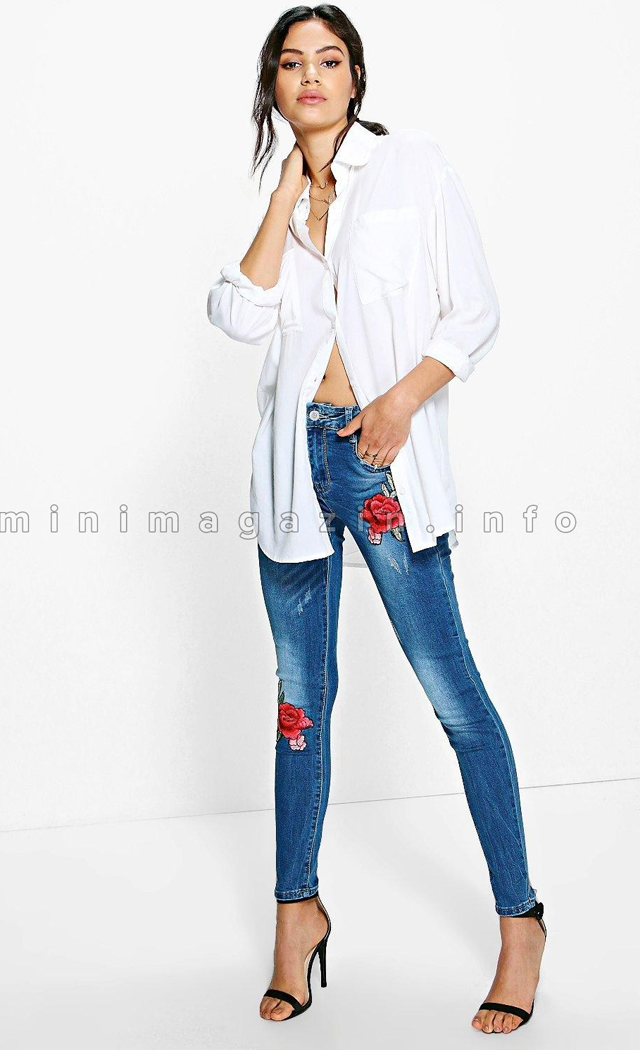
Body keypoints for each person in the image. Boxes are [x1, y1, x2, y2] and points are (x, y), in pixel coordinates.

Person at [206, 5, 547, 1036]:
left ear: (356, 78)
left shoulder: (411, 168)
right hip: (292, 471)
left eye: (329, 59)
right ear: (274, 87)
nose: (310, 75)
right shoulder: (285, 197)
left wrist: (399, 403)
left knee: (454, 695)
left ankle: (521, 925)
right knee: (299, 704)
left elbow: (475, 309)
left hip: (377, 457)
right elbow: (236, 313)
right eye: (291, 63)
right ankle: (295, 917)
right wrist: (283, 193)